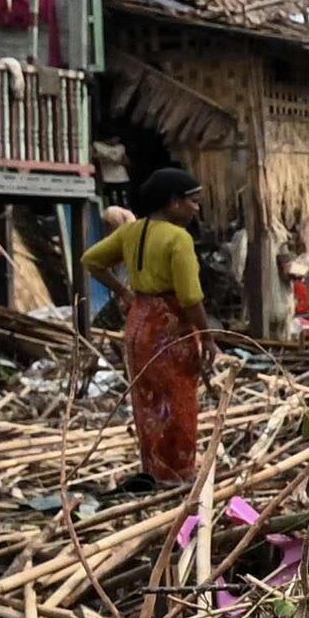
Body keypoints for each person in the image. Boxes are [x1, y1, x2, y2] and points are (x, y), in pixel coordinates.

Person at [86, 168, 212, 489]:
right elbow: (190, 297)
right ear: (173, 203)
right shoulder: (178, 238)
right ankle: (178, 475)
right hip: (169, 327)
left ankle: (154, 470)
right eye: (192, 202)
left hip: (139, 323)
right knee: (179, 400)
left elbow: (91, 260)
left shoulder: (132, 232)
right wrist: (208, 336)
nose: (196, 209)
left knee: (149, 401)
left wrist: (125, 292)